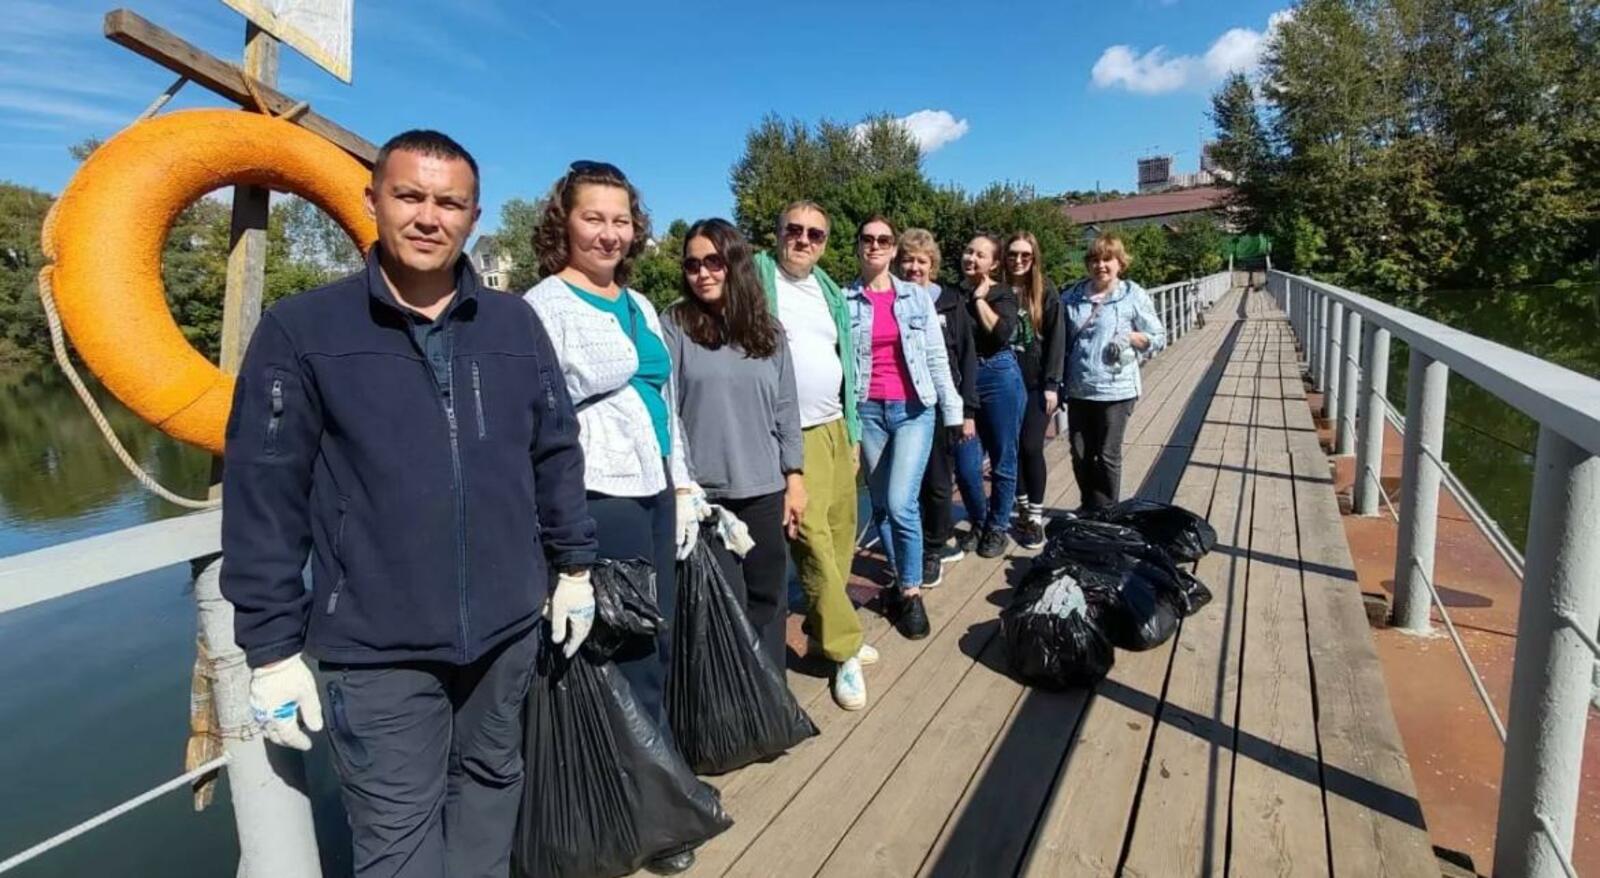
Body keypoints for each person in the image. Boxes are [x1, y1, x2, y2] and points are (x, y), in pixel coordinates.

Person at [222, 130, 598, 878]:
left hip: (506, 628)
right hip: (377, 646)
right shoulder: (303, 332)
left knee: (492, 791)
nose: (430, 217)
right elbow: (264, 493)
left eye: (449, 203)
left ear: (474, 217)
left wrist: (575, 566)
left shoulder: (513, 324)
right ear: (374, 202)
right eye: (410, 196)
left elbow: (555, 451)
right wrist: (269, 648)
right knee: (397, 839)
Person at [521, 161, 702, 874]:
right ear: (563, 220)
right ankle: (640, 812)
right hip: (599, 495)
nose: (609, 232)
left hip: (655, 489)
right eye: (593, 216)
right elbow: (538, 421)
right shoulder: (544, 306)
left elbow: (664, 404)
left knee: (656, 645)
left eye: (621, 219)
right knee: (626, 656)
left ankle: (654, 793)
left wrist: (684, 486)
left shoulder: (640, 302)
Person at [661, 218, 804, 671]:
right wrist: (682, 488)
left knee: (768, 599)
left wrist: (794, 479)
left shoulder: (769, 332)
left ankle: (770, 699)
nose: (702, 273)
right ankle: (728, 712)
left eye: (713, 261)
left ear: (735, 264)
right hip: (707, 498)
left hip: (763, 488)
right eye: (692, 264)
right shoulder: (676, 325)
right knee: (722, 608)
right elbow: (667, 409)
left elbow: (786, 410)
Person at [753, 200, 876, 711]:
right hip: (787, 434)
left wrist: (850, 429)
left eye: (816, 235)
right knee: (812, 541)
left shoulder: (827, 290)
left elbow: (843, 358)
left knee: (842, 532)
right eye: (795, 230)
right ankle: (843, 650)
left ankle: (827, 630)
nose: (804, 240)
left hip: (832, 428)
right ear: (777, 232)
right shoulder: (755, 279)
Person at [845, 216, 963, 640]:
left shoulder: (915, 298)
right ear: (859, 246)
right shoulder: (845, 300)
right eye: (868, 238)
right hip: (869, 412)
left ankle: (912, 592)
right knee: (880, 506)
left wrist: (953, 413)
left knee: (900, 502)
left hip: (914, 410)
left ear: (894, 249)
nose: (875, 245)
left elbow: (936, 358)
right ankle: (898, 579)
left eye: (884, 240)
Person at [896, 228, 979, 588]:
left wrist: (967, 411)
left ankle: (936, 546)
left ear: (933, 264)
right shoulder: (891, 297)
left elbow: (967, 356)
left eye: (921, 261)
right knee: (904, 486)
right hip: (902, 403)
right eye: (908, 260)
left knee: (938, 479)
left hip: (942, 401)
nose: (914, 267)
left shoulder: (949, 300)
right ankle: (916, 543)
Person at [1060, 233, 1167, 512]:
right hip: (1079, 387)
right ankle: (1088, 505)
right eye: (1094, 259)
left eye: (1107, 259)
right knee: (1081, 453)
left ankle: (1107, 510)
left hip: (1117, 388)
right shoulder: (1071, 297)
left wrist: (1132, 338)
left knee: (1107, 454)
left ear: (1120, 263)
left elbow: (1157, 336)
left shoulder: (1133, 295)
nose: (1100, 265)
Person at [961, 233, 1026, 558]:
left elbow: (1001, 333)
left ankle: (997, 527)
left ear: (994, 263)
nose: (971, 258)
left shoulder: (1003, 293)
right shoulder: (952, 293)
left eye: (980, 255)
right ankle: (978, 520)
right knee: (967, 463)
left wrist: (979, 299)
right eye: (969, 251)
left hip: (998, 375)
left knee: (1003, 457)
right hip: (965, 379)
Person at [1004, 231, 1066, 549]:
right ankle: (1025, 511)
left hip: (1035, 384)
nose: (1018, 260)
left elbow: (1057, 339)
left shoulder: (1045, 291)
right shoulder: (995, 290)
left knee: (1030, 447)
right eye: (1013, 254)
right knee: (1011, 451)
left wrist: (1052, 385)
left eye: (1025, 256)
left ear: (1034, 259)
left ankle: (1037, 516)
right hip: (1002, 387)